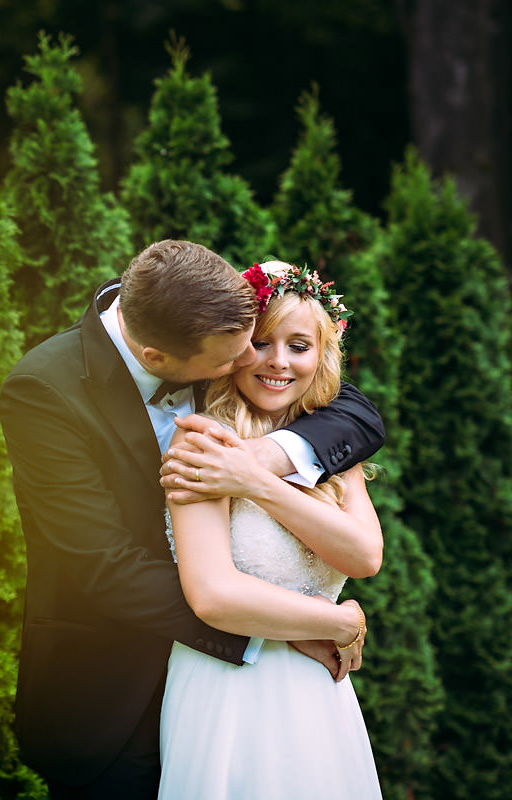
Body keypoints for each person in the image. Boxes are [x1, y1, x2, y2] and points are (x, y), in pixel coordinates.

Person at [0, 240, 385, 799]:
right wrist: (290, 628)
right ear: (157, 357)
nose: (256, 362)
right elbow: (105, 568)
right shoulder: (44, 392)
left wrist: (259, 464)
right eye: (238, 357)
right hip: (114, 689)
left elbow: (351, 410)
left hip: (256, 697)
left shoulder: (212, 320)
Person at [156, 259, 383, 798]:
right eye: (261, 342)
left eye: (299, 346)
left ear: (321, 355)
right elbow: (214, 597)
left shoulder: (329, 445)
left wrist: (255, 481)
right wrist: (337, 623)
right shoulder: (200, 442)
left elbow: (364, 557)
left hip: (320, 695)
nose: (278, 362)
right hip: (229, 686)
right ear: (234, 348)